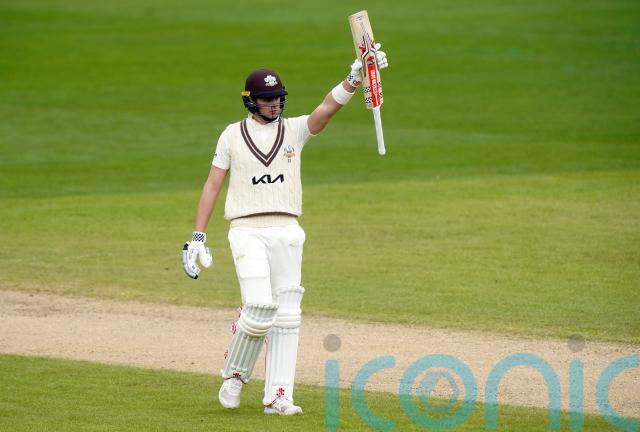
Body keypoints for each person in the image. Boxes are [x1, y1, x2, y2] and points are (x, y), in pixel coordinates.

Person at [181, 46, 389, 415]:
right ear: (251, 101)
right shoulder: (231, 135)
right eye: (267, 99)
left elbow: (325, 111)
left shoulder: (293, 130)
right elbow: (212, 185)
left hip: (288, 229)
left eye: (278, 97)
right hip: (246, 230)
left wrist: (354, 77)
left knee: (287, 316)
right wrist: (197, 236)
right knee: (259, 308)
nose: (274, 104)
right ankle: (235, 374)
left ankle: (279, 396)